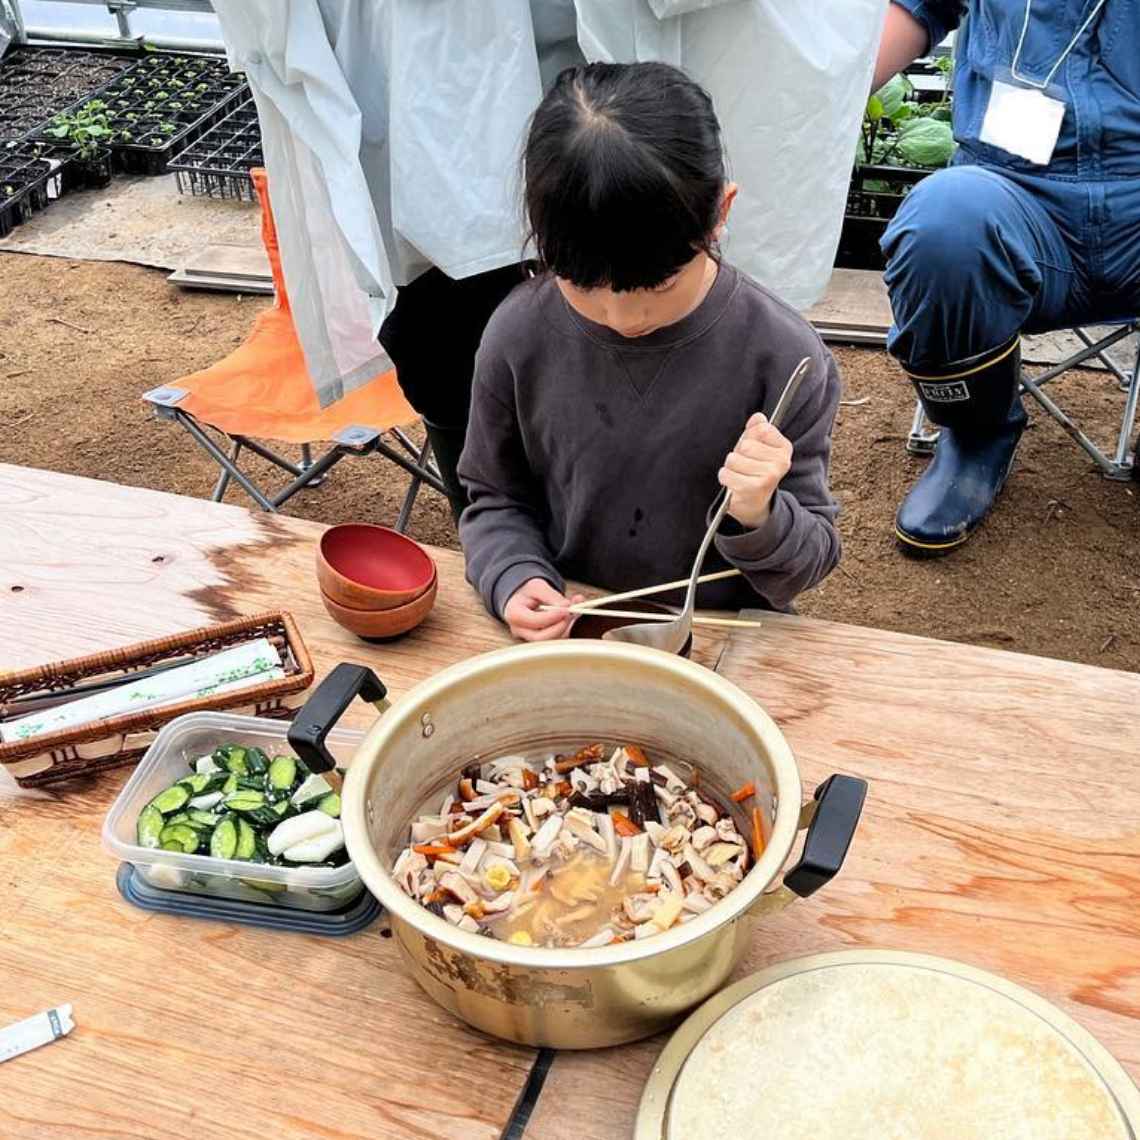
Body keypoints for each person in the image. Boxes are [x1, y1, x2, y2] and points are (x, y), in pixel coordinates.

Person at [458, 62, 842, 642]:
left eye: (657, 284)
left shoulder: (783, 357)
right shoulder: (518, 334)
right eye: (582, 283)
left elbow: (807, 563)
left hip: (723, 637)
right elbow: (494, 497)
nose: (622, 314)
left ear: (720, 214)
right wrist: (513, 574)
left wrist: (761, 511)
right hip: (576, 625)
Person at [876, 0, 1140, 555]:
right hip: (1015, 192)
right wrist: (806, 106)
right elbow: (919, 9)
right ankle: (976, 435)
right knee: (944, 222)